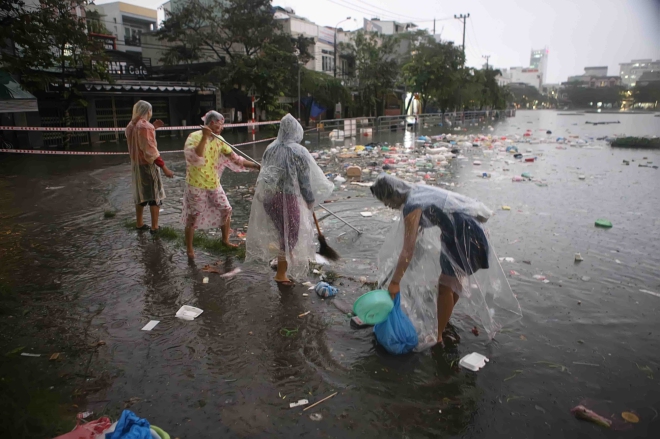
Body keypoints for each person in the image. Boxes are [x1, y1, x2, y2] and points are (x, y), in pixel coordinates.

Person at [371, 174, 521, 349]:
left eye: (386, 200)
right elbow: (415, 240)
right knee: (452, 283)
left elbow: (408, 249)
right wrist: (406, 267)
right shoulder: (416, 191)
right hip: (460, 233)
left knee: (445, 286)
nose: (387, 206)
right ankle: (444, 319)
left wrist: (395, 282)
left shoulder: (412, 205)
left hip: (465, 235)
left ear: (394, 194)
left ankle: (438, 336)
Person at [246, 114, 333, 285]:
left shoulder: (271, 148)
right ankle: (281, 273)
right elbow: (304, 180)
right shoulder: (298, 151)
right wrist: (309, 199)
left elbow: (266, 173)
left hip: (269, 198)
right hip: (286, 198)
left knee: (282, 231)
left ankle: (285, 257)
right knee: (291, 234)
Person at [182, 110, 260, 259]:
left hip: (213, 182)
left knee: (226, 209)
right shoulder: (194, 137)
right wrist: (205, 137)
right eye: (220, 125)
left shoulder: (219, 139)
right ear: (212, 123)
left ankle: (225, 240)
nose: (222, 128)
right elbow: (195, 157)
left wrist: (256, 166)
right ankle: (190, 249)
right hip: (196, 184)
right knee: (193, 216)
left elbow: (236, 159)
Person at [126, 100, 174, 233]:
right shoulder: (145, 126)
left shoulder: (131, 125)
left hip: (136, 166)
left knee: (141, 194)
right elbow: (150, 150)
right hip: (148, 166)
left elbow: (141, 140)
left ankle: (140, 224)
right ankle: (155, 227)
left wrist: (153, 127)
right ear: (148, 111)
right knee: (155, 196)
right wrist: (164, 168)